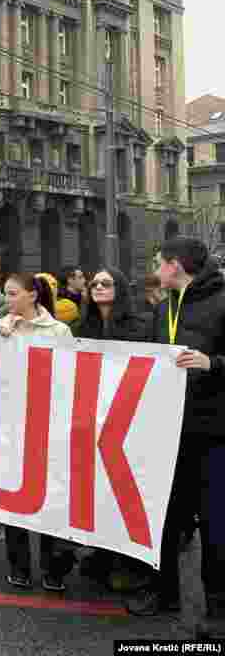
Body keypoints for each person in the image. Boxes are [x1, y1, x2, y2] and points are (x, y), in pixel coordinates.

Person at [126, 238, 225, 640]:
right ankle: (163, 590)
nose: (154, 266)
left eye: (158, 261)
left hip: (215, 434)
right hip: (170, 432)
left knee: (215, 525)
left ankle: (217, 609)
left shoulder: (222, 302)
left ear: (176, 265)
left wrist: (214, 362)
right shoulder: (164, 307)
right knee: (164, 519)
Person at [0, 272, 75, 592]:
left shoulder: (59, 330)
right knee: (15, 496)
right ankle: (20, 566)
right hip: (11, 425)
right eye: (6, 294)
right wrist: (3, 334)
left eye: (12, 294)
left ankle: (54, 569)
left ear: (32, 296)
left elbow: (68, 376)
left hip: (47, 424)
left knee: (50, 496)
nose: (7, 300)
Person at [74, 266, 152, 594]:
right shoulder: (81, 327)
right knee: (100, 494)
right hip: (93, 423)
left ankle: (132, 564)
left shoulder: (142, 327)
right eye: (94, 283)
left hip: (129, 423)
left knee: (127, 494)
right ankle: (104, 556)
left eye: (106, 283)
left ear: (120, 288)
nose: (98, 287)